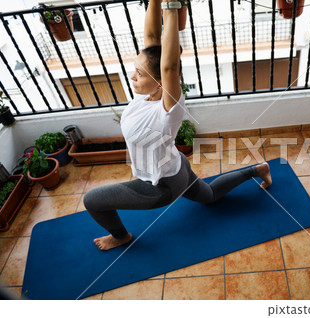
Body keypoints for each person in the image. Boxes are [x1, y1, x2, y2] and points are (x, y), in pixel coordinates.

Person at [83, 0, 272, 251]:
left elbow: (170, 67)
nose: (132, 77)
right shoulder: (144, 95)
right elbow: (151, 38)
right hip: (177, 166)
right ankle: (258, 170)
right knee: (211, 196)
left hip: (161, 187)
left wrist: (172, 9)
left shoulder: (167, 111)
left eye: (138, 74)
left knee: (92, 200)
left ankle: (121, 236)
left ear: (161, 83)